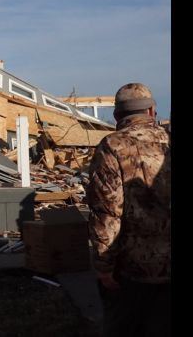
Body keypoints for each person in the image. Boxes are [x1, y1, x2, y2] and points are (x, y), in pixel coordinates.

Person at [86, 83, 170, 337]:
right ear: (152, 112)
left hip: (131, 270)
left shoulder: (112, 146)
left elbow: (107, 212)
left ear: (116, 117)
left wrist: (103, 265)